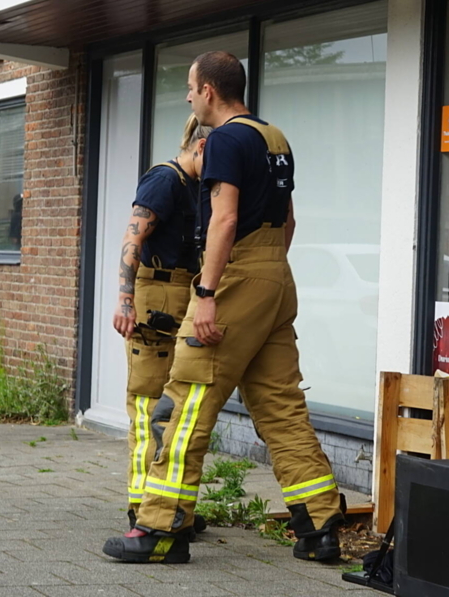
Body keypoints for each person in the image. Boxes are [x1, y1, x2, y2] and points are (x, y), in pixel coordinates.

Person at [103, 51, 345, 565]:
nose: (188, 97)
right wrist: (266, 274)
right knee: (281, 405)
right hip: (276, 274)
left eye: (191, 88)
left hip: (234, 278)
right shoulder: (274, 138)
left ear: (209, 91)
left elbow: (224, 220)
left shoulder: (228, 141)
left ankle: (159, 529)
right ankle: (321, 527)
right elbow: (289, 220)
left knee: (184, 401)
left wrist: (209, 292)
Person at [111, 113, 213, 537]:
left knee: (174, 408)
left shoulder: (196, 187)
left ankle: (168, 507)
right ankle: (141, 506)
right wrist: (125, 298)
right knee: (147, 405)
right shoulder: (165, 180)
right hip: (155, 297)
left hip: (184, 294)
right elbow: (133, 237)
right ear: (203, 148)